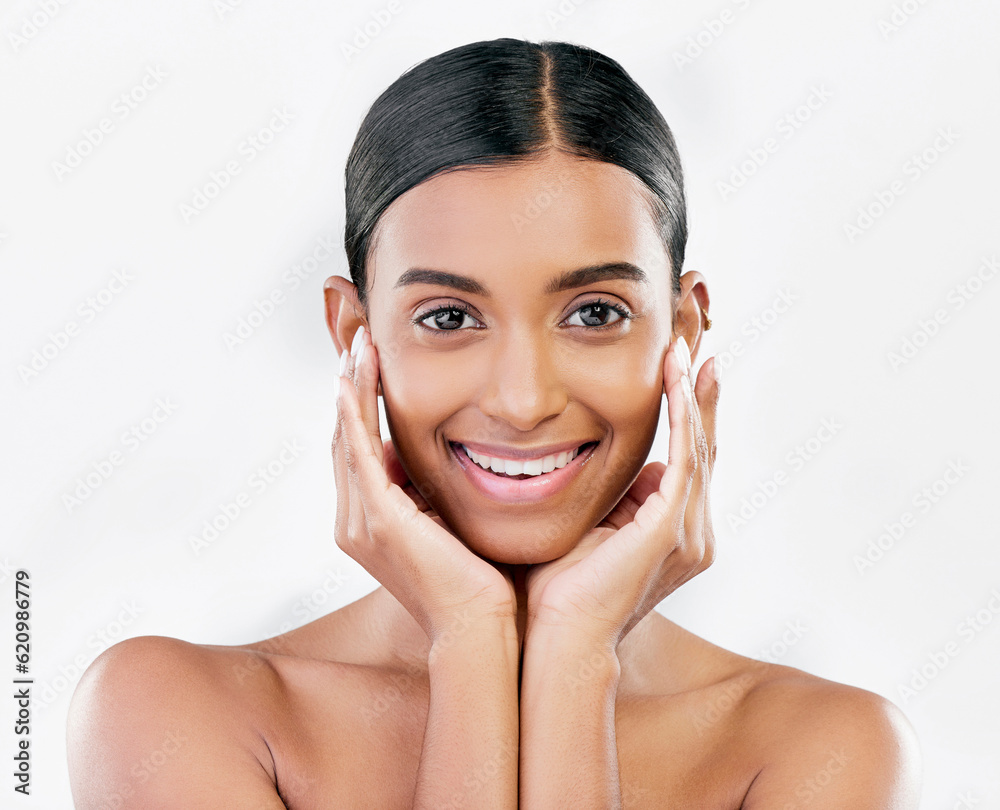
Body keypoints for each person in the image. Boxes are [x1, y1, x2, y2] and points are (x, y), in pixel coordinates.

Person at [66, 37, 921, 808]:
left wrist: (578, 655)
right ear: (354, 335)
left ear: (685, 328)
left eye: (593, 313)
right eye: (448, 318)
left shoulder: (823, 751)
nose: (522, 400)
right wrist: (472, 644)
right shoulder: (171, 713)